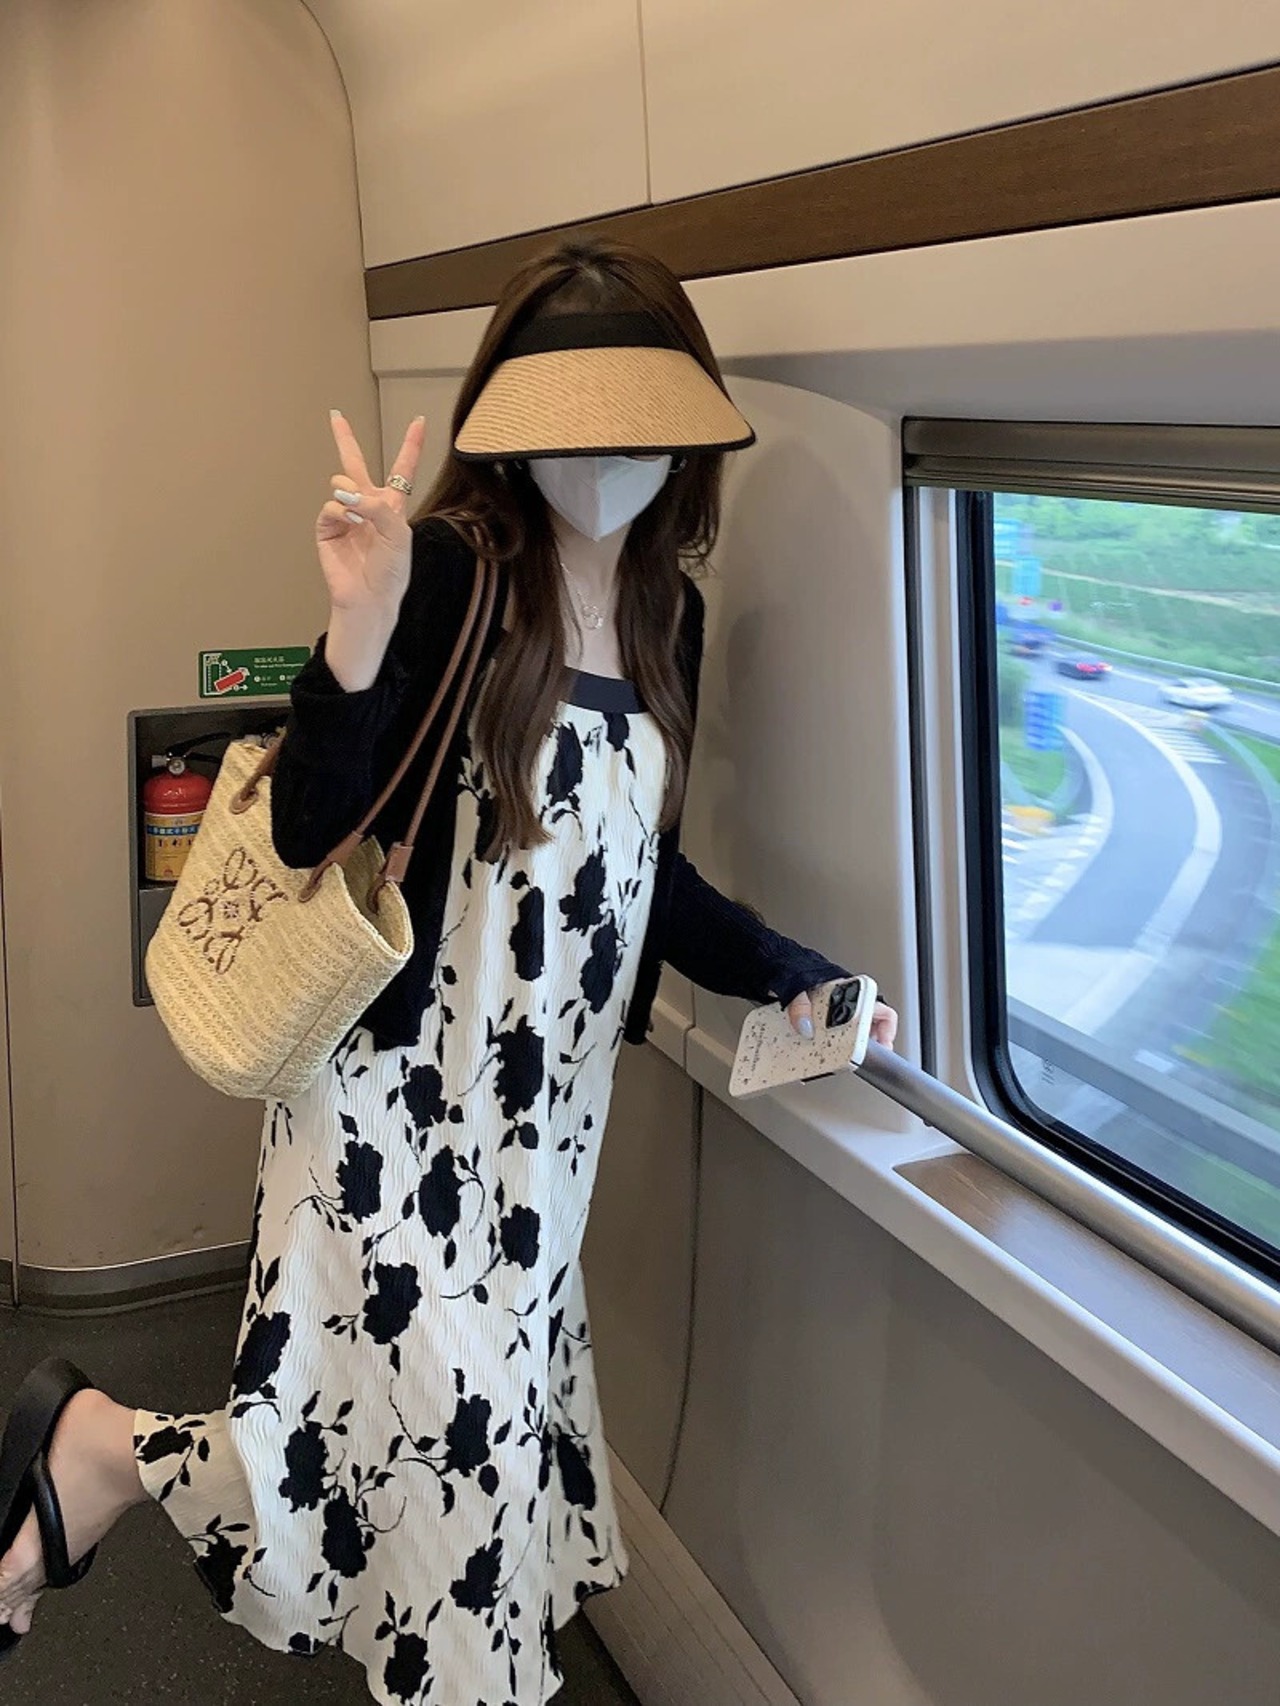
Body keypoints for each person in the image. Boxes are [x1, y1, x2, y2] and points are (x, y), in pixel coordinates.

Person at [0, 239, 897, 1704]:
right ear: (509, 425)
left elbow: (637, 875)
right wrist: (358, 627)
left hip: (540, 1142)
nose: (598, 467)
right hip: (393, 1108)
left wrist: (787, 968)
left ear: (685, 437)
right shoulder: (455, 578)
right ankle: (118, 1468)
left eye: (631, 432)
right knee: (453, 1479)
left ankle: (95, 1450)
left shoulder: (669, 615)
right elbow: (312, 824)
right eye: (566, 431)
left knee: (359, 1450)